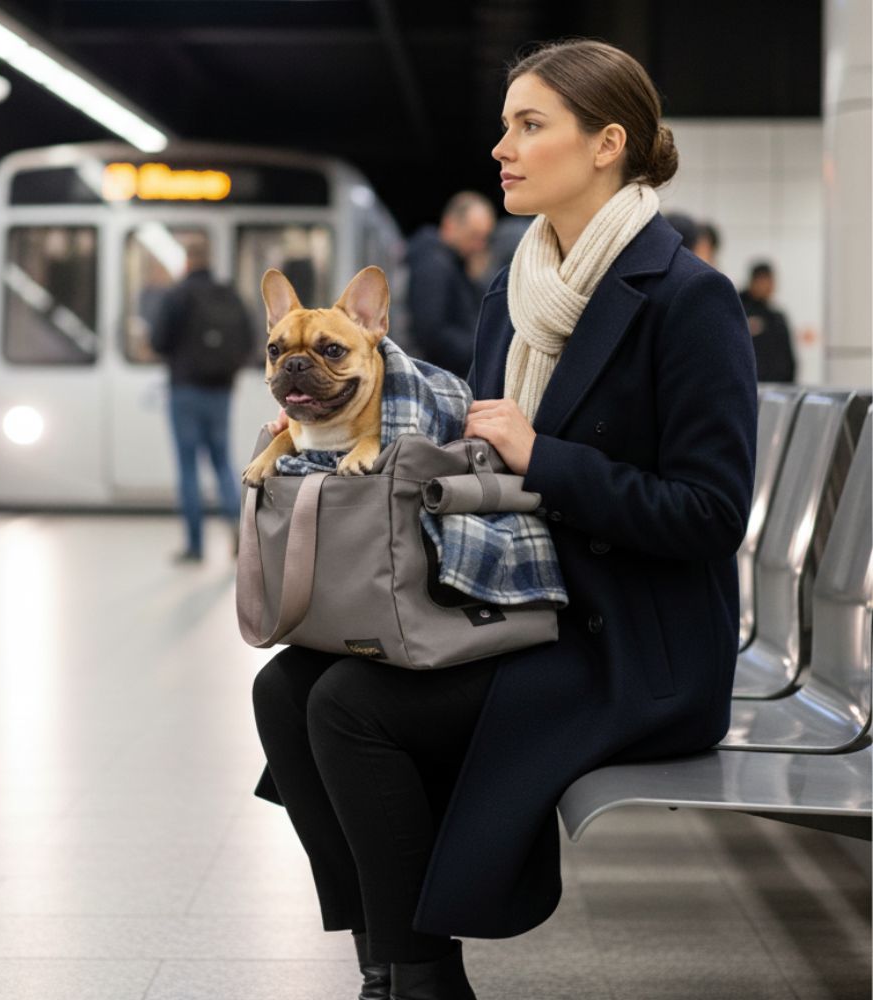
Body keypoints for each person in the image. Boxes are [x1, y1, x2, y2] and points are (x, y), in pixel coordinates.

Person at [251, 39, 756, 1000]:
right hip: (517, 598)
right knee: (285, 691)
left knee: (351, 708)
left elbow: (709, 514)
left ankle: (425, 979)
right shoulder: (513, 291)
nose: (501, 147)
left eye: (530, 125)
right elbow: (472, 438)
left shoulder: (690, 301)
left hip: (630, 640)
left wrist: (545, 457)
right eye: (505, 124)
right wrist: (335, 415)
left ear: (607, 144)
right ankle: (384, 963)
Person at [150, 241, 253, 563]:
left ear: (186, 263)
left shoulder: (178, 295)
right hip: (220, 391)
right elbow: (250, 339)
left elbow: (158, 340)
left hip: (185, 391)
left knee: (188, 467)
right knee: (223, 462)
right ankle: (238, 528)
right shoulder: (229, 295)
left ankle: (195, 546)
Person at [406, 191, 496, 376]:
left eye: (484, 238)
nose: (479, 246)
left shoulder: (452, 264)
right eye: (474, 236)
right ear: (450, 225)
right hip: (437, 377)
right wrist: (481, 351)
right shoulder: (433, 264)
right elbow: (432, 333)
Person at [740, 261, 796, 383]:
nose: (769, 287)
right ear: (754, 282)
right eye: (765, 281)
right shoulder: (740, 312)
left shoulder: (776, 317)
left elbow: (788, 358)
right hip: (752, 385)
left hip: (779, 388)